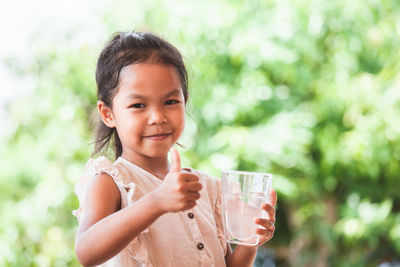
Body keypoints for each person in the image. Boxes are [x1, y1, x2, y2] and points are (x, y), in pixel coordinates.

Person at [73, 31, 277, 267]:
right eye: (138, 105)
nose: (158, 117)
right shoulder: (112, 182)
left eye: (170, 102)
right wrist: (157, 201)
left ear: (185, 101)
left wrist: (249, 239)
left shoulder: (207, 189)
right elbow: (86, 252)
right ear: (108, 113)